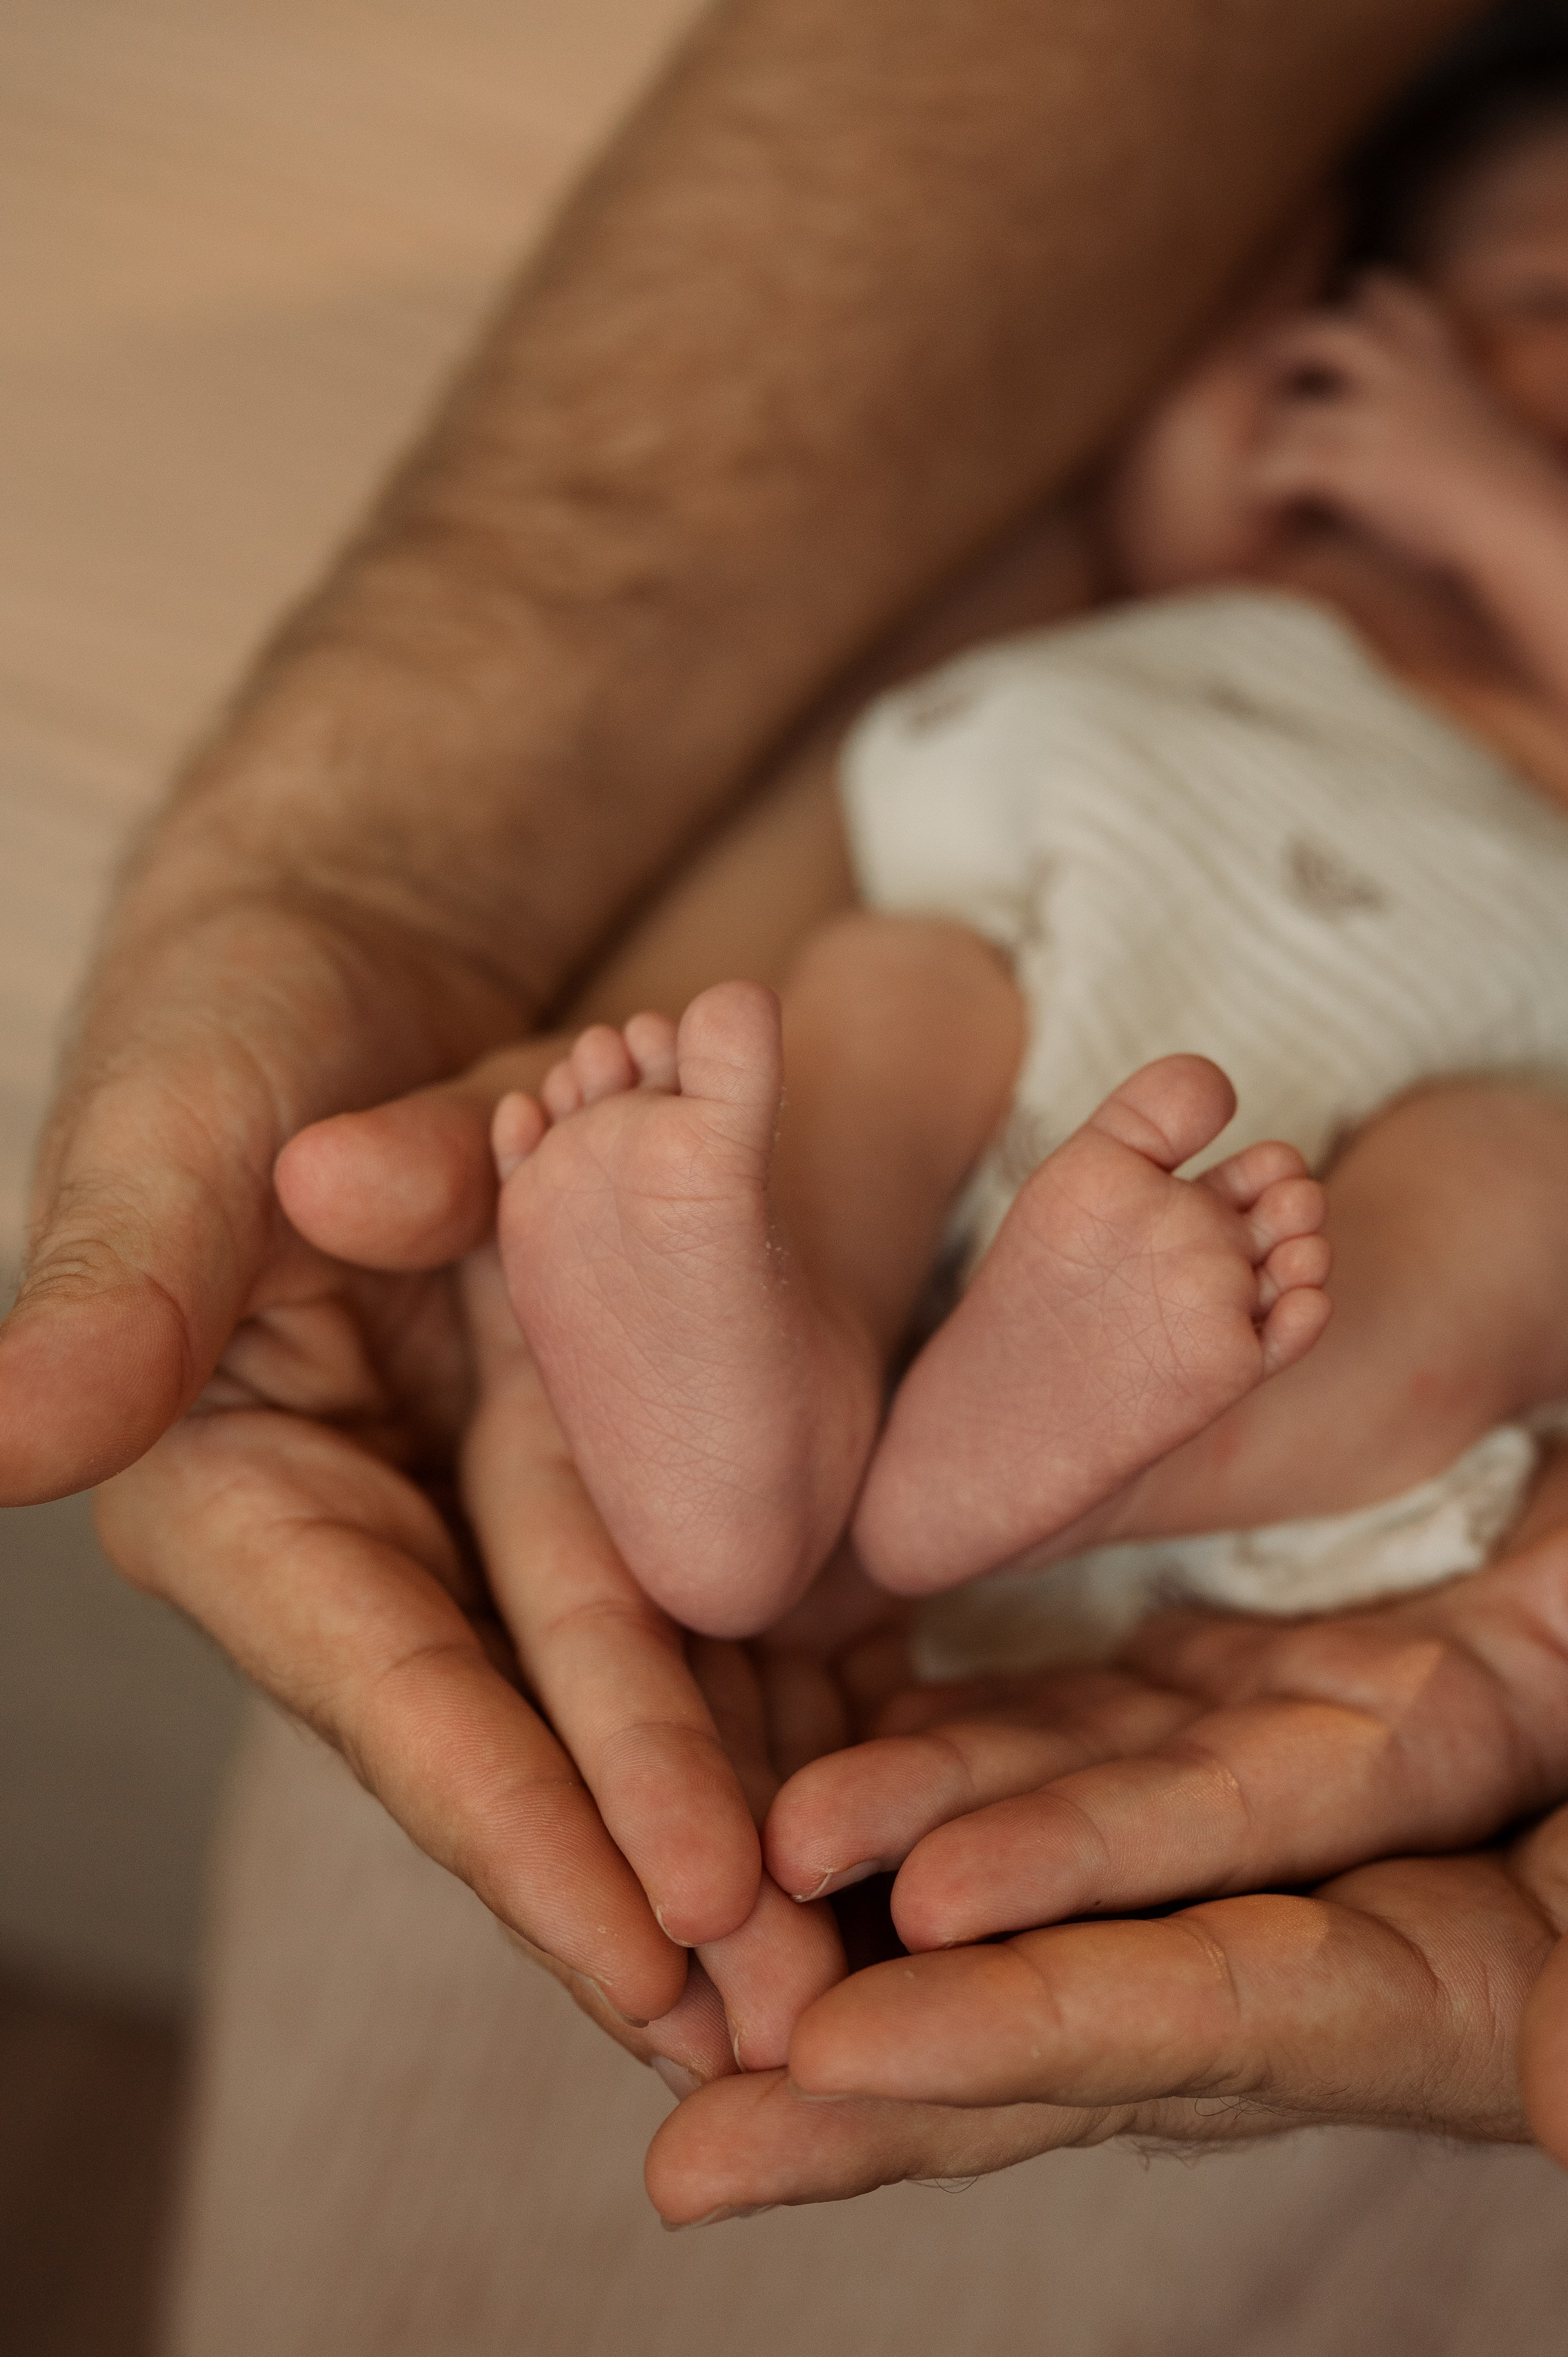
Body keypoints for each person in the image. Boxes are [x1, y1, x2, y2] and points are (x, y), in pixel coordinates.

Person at [13, 0, 1568, 2280]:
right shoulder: (1273, 568)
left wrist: (1484, 487)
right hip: (1071, 885)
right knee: (872, 1006)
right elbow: (1132, 504)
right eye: (1541, 305)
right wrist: (1250, 399)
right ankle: (762, 1386)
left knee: (1514, 1220)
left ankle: (1053, 1452)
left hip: (1423, 1072)